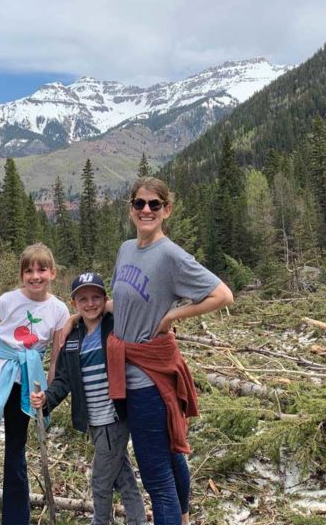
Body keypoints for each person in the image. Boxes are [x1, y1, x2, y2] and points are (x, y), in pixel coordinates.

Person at [108, 176, 233, 525]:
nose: (146, 210)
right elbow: (124, 303)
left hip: (148, 379)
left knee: (156, 478)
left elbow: (222, 294)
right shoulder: (126, 249)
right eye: (139, 203)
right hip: (130, 368)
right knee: (172, 456)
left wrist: (173, 315)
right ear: (131, 208)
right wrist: (81, 314)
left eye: (154, 204)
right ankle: (185, 517)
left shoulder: (171, 256)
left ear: (167, 210)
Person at [0, 243, 70, 525]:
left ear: (52, 273)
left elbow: (55, 357)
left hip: (27, 385)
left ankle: (16, 519)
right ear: (21, 275)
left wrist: (48, 392)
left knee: (16, 451)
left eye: (41, 269)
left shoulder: (58, 309)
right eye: (29, 270)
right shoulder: (7, 301)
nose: (35, 276)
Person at [30, 272, 147, 525]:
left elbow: (137, 307)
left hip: (115, 416)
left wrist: (78, 317)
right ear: (74, 303)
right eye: (83, 299)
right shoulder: (72, 339)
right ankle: (138, 520)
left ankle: (100, 521)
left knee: (101, 481)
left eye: (96, 297)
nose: (90, 303)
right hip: (94, 421)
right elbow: (63, 379)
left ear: (106, 299)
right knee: (123, 475)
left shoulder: (117, 327)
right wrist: (46, 399)